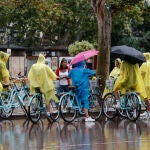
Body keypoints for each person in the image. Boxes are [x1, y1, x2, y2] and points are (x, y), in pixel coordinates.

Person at [140, 52, 150, 119]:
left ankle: (148, 112)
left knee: (147, 99)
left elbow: (140, 74)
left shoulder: (144, 64)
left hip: (146, 84)